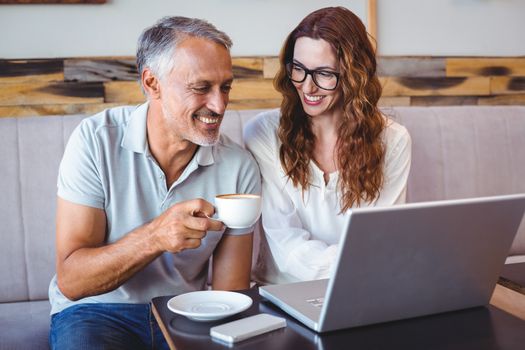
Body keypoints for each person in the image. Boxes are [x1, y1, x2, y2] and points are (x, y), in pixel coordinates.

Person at [48, 16, 261, 349]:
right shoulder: (95, 141)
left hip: (186, 313)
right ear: (152, 83)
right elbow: (73, 281)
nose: (219, 105)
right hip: (95, 311)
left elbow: (228, 295)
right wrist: (156, 236)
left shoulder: (238, 166)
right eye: (201, 87)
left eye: (226, 87)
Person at [244, 7, 411, 285]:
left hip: (359, 288)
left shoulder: (394, 140)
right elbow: (285, 243)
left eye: (323, 73)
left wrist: (370, 266)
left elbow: (379, 241)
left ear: (354, 74)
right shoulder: (264, 133)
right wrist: (357, 263)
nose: (307, 87)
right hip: (281, 293)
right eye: (298, 69)